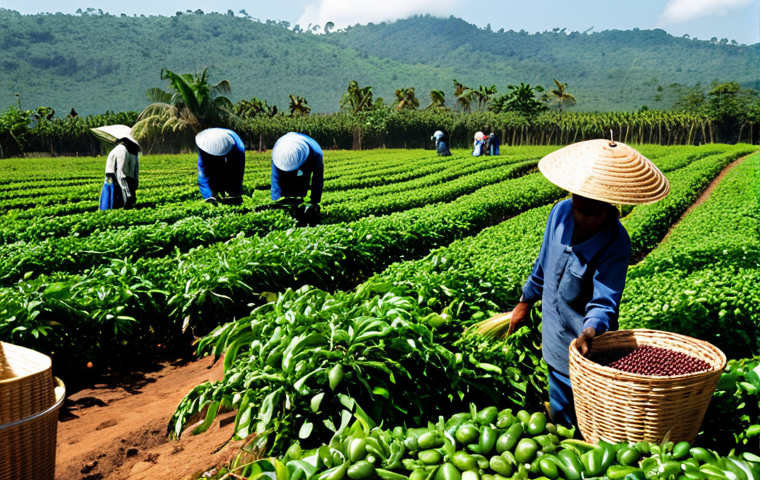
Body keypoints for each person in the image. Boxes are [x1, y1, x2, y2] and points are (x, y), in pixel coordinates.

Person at [505, 139, 669, 428]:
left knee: (587, 413)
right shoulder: (559, 213)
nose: (580, 218)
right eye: (578, 207)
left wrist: (590, 332)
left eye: (591, 213)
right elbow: (543, 263)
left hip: (583, 344)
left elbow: (605, 300)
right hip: (553, 333)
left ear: (610, 208)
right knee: (559, 403)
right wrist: (525, 301)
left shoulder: (615, 244)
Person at [270, 132, 324, 227]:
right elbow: (275, 180)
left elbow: (317, 180)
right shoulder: (279, 153)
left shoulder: (316, 153)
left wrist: (314, 201)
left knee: (301, 185)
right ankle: (289, 208)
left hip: (306, 161)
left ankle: (299, 209)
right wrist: (277, 201)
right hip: (283, 152)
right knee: (284, 186)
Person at [91, 125, 140, 210]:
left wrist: (128, 190)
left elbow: (122, 173)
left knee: (116, 203)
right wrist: (129, 191)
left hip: (121, 179)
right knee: (116, 202)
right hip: (115, 178)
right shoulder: (129, 151)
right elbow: (127, 174)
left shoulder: (123, 150)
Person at [195, 128, 246, 206]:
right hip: (207, 141)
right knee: (209, 171)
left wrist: (235, 192)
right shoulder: (203, 143)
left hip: (233, 145)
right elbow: (203, 173)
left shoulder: (238, 147)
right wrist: (208, 197)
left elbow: (237, 172)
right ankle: (213, 193)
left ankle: (230, 192)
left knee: (232, 174)